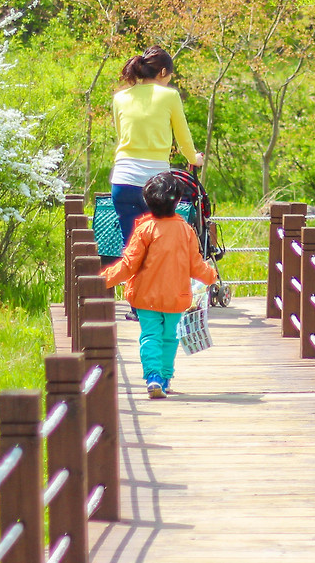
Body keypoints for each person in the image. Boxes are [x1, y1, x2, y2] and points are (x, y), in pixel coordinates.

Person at [101, 172, 219, 399]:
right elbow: (196, 265)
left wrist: (104, 278)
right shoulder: (185, 230)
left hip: (146, 298)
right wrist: (211, 275)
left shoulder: (145, 229)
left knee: (150, 336)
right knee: (170, 337)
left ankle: (153, 376)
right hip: (176, 297)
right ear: (177, 202)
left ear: (147, 201)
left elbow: (129, 264)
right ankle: (165, 378)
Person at [109, 45, 203, 319]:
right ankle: (159, 303)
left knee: (132, 245)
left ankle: (136, 307)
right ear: (163, 72)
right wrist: (194, 158)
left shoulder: (120, 97)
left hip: (124, 180)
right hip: (157, 186)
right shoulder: (169, 96)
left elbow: (121, 134)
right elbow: (183, 139)